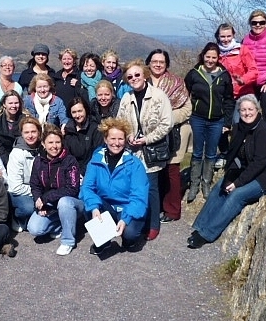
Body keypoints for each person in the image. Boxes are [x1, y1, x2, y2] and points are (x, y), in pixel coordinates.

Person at [187, 94, 266, 248]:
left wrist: (237, 183)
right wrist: (230, 176)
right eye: (243, 110)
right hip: (246, 170)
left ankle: (207, 234)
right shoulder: (239, 127)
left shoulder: (265, 131)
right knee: (220, 186)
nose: (247, 113)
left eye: (250, 109)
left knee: (236, 195)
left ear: (257, 109)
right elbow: (233, 155)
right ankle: (200, 227)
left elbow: (259, 164)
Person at [117, 59, 173, 241]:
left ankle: (153, 224)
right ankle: (137, 221)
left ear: (144, 74)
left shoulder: (158, 96)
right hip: (132, 152)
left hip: (151, 151)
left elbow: (167, 123)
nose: (134, 78)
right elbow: (120, 122)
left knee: (151, 188)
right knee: (134, 188)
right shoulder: (127, 98)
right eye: (130, 77)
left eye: (137, 75)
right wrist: (128, 136)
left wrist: (147, 139)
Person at [80, 117, 149, 255]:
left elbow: (139, 196)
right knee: (87, 206)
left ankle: (132, 234)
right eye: (112, 139)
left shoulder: (135, 164)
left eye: (120, 139)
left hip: (127, 207)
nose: (116, 143)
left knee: (129, 235)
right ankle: (104, 241)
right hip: (107, 206)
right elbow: (87, 187)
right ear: (105, 139)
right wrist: (94, 207)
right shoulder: (96, 160)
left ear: (125, 140)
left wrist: (125, 218)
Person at [184, 43, 235, 204]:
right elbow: (185, 94)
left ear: (218, 58)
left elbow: (229, 100)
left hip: (217, 120)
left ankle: (206, 183)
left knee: (212, 153)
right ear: (203, 56)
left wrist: (227, 122)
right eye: (208, 57)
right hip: (197, 118)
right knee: (197, 152)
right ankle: (194, 185)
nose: (210, 60)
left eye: (214, 57)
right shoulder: (194, 74)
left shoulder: (224, 75)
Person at [145, 49, 192, 223]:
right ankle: (153, 207)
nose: (158, 64)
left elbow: (187, 109)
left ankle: (172, 210)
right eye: (154, 61)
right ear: (149, 63)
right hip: (148, 134)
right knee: (153, 172)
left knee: (171, 171)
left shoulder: (176, 83)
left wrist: (167, 119)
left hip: (174, 133)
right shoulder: (142, 80)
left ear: (166, 64)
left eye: (162, 62)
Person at [27, 124, 83, 256]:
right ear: (43, 144)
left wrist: (46, 198)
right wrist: (39, 202)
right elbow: (34, 185)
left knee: (64, 202)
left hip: (71, 203)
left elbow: (72, 189)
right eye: (50, 142)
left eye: (57, 142)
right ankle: (62, 223)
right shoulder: (38, 161)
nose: (54, 146)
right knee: (34, 229)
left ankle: (68, 240)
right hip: (51, 205)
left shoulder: (70, 161)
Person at [215, 23, 258, 167]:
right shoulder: (216, 53)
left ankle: (241, 153)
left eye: (228, 36)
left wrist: (243, 80)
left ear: (233, 35)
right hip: (224, 96)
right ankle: (225, 152)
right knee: (219, 123)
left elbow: (253, 70)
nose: (226, 39)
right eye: (222, 36)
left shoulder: (242, 50)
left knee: (237, 122)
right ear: (218, 37)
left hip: (243, 93)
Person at [7, 117, 42, 232]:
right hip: (19, 192)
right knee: (29, 207)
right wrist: (38, 192)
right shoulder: (17, 153)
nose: (30, 135)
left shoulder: (43, 149)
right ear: (21, 133)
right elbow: (15, 187)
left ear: (39, 132)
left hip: (37, 189)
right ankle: (16, 217)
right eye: (26, 132)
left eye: (33, 131)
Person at [63, 96, 104, 177]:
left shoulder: (95, 128)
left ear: (85, 110)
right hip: (72, 172)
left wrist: (83, 172)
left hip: (91, 171)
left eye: (80, 111)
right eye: (74, 112)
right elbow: (67, 155)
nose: (77, 115)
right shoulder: (68, 130)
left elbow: (97, 153)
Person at [0, 90, 29, 167]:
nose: (13, 106)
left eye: (16, 103)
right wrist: (8, 163)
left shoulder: (25, 120)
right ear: (4, 104)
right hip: (2, 159)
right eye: (10, 103)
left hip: (21, 157)